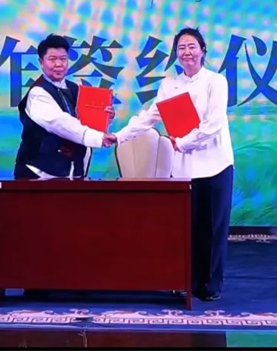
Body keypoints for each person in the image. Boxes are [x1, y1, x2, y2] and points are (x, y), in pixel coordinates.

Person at [111, 27, 234, 302]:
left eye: (192, 46)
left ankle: (211, 284)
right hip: (184, 169)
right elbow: (150, 116)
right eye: (181, 48)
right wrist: (119, 136)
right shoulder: (170, 85)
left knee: (213, 228)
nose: (186, 52)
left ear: (202, 50)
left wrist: (184, 142)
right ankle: (187, 280)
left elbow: (213, 124)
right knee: (188, 228)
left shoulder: (216, 81)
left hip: (216, 164)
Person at [14, 32, 116, 180]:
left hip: (72, 172)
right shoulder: (37, 93)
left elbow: (85, 120)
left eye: (63, 59)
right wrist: (98, 137)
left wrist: (105, 117)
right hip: (38, 173)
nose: (59, 64)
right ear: (41, 62)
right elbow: (60, 123)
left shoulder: (75, 89)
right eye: (52, 59)